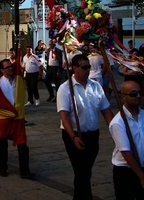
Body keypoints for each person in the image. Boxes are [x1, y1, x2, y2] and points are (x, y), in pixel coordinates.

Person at [57, 54, 114, 200]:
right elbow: (64, 116)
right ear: (74, 68)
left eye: (88, 67)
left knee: (85, 171)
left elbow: (106, 110)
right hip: (74, 135)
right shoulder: (65, 89)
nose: (88, 70)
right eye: (84, 67)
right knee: (82, 171)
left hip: (92, 135)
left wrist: (115, 130)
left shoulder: (96, 86)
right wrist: (74, 137)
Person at [0, 59, 34, 178]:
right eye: (7, 67)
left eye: (11, 66)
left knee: (22, 144)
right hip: (4, 117)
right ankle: (2, 168)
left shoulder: (18, 80)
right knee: (2, 144)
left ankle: (24, 170)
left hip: (18, 117)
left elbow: (21, 96)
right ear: (2, 70)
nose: (10, 68)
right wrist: (8, 112)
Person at [109, 81, 144, 200]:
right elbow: (126, 153)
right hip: (126, 171)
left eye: (140, 92)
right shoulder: (118, 122)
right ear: (123, 96)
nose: (138, 96)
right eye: (133, 94)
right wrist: (141, 176)